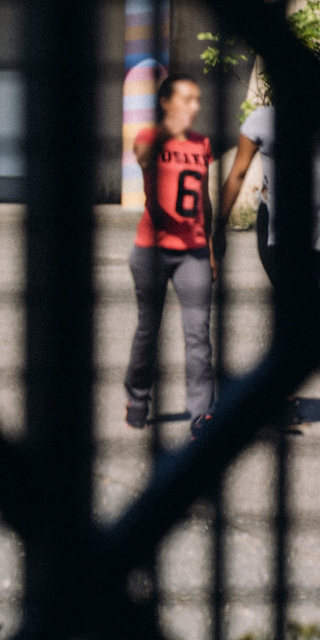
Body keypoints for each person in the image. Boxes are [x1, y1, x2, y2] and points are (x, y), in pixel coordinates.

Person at [124, 74, 218, 437]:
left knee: (198, 334)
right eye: (187, 99)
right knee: (149, 329)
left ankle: (202, 411)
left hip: (193, 251)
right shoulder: (150, 136)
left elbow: (205, 199)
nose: (194, 106)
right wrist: (167, 129)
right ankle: (138, 396)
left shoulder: (202, 143)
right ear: (166, 102)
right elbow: (143, 157)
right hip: (151, 249)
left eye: (197, 99)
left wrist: (210, 247)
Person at [216, 104, 320, 300]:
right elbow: (238, 173)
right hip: (273, 223)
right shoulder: (261, 119)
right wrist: (219, 226)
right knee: (290, 295)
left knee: (304, 296)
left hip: (314, 225)